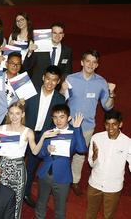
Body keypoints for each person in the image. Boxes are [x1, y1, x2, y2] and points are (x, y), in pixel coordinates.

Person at [63, 49, 115, 195]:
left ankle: (75, 181)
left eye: (94, 62)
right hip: (68, 125)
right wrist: (62, 89)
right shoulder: (71, 79)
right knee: (64, 153)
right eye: (88, 61)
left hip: (87, 127)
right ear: (82, 62)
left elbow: (107, 106)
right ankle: (62, 181)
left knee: (80, 155)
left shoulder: (101, 82)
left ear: (97, 65)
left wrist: (111, 93)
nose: (90, 64)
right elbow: (61, 99)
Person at [23, 65, 66, 207]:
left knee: (31, 167)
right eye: (47, 79)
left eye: (54, 80)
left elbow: (59, 122)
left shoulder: (60, 99)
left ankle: (26, 193)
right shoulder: (30, 93)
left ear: (58, 81)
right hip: (24, 133)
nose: (50, 83)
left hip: (43, 137)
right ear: (43, 78)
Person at [35, 104, 87, 219]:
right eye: (55, 117)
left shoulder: (74, 132)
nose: (58, 120)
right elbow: (39, 154)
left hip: (63, 176)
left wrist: (78, 128)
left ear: (68, 118)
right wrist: (46, 150)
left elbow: (82, 149)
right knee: (40, 203)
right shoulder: (49, 132)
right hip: (45, 174)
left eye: (61, 117)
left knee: (60, 208)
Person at [86, 110, 131, 219]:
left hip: (113, 187)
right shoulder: (96, 138)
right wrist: (95, 156)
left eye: (114, 124)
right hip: (94, 183)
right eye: (107, 124)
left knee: (109, 216)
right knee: (90, 214)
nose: (110, 128)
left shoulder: (128, 142)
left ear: (120, 124)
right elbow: (91, 164)